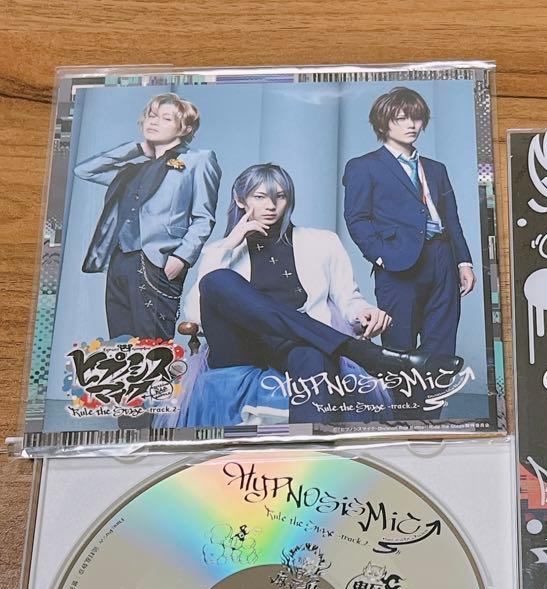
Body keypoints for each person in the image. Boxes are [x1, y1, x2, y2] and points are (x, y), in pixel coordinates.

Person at [182, 163, 458, 424]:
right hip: (238, 347)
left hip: (295, 342)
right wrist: (229, 244)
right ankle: (363, 353)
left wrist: (363, 311)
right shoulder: (221, 251)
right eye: (260, 197)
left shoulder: (322, 242)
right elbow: (195, 314)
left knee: (316, 357)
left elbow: (348, 298)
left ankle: (312, 447)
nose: (271, 206)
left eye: (280, 196)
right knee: (217, 280)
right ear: (241, 200)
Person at [75, 92, 221, 342]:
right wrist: (136, 149)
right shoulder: (132, 169)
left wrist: (181, 258)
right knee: (120, 344)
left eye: (166, 118)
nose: (154, 121)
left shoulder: (198, 160)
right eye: (151, 116)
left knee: (154, 345)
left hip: (158, 261)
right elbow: (84, 170)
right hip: (119, 260)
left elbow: (203, 217)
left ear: (185, 128)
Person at [343, 86, 475, 360]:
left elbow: (451, 219)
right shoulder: (363, 166)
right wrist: (380, 256)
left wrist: (464, 262)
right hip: (398, 264)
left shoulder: (437, 169)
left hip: (442, 259)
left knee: (441, 346)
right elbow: (356, 218)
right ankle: (403, 392)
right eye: (401, 118)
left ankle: (434, 391)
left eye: (416, 118)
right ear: (383, 123)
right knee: (398, 348)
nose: (411, 125)